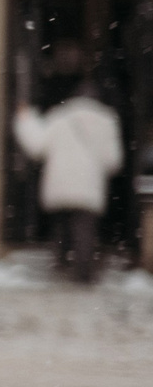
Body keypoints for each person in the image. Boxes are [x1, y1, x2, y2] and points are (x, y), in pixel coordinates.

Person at [14, 82, 125, 284]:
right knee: (84, 231)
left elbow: (37, 145)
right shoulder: (107, 121)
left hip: (59, 184)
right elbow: (113, 161)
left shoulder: (60, 117)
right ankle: (84, 273)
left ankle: (61, 268)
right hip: (88, 187)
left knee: (61, 228)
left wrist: (25, 119)